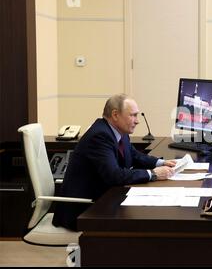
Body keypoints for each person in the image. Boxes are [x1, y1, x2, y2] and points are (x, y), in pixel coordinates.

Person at [52, 94, 176, 230]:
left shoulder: (118, 131)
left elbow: (134, 154)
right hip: (85, 211)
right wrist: (153, 174)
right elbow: (114, 175)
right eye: (133, 115)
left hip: (103, 200)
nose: (137, 121)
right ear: (115, 115)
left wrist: (160, 163)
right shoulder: (100, 136)